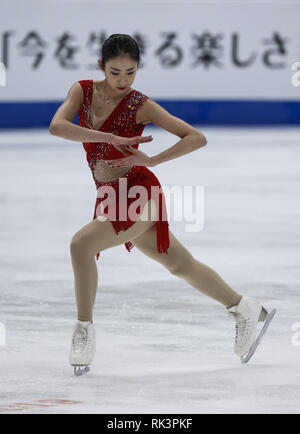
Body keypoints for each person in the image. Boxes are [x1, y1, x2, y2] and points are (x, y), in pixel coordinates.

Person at [49, 34, 276, 376]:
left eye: (131, 72)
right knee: (181, 265)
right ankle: (244, 307)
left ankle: (83, 331)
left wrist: (152, 161)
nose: (123, 81)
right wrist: (110, 138)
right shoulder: (81, 91)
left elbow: (196, 137)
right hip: (110, 196)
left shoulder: (140, 104)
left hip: (140, 194)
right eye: (115, 72)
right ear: (100, 67)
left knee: (81, 244)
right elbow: (57, 127)